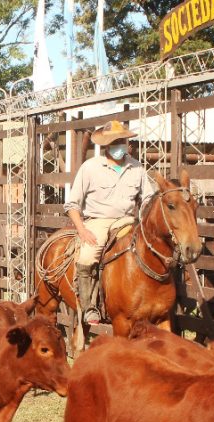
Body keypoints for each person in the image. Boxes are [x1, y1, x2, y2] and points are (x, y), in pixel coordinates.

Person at [64, 120, 156, 324]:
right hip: (98, 221)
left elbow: (148, 198)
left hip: (127, 220)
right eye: (116, 142)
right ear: (106, 145)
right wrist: (82, 230)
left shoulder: (136, 167)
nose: (120, 145)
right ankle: (90, 306)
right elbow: (72, 204)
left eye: (122, 140)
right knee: (88, 256)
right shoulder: (90, 167)